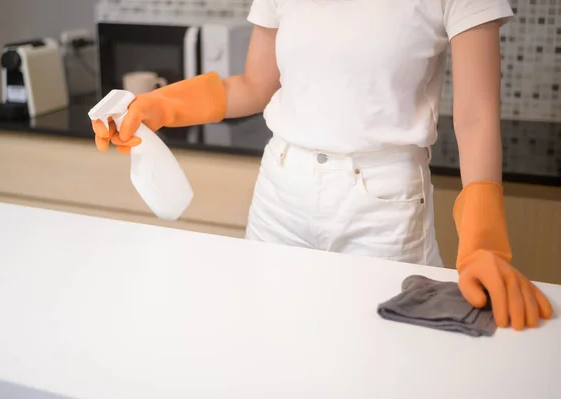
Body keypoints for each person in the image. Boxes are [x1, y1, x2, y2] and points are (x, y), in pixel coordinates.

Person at [91, 0, 553, 331]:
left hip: (383, 208)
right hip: (280, 194)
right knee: (267, 341)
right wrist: (159, 106)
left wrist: (483, 242)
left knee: (382, 357)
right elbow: (254, 84)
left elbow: (474, 119)